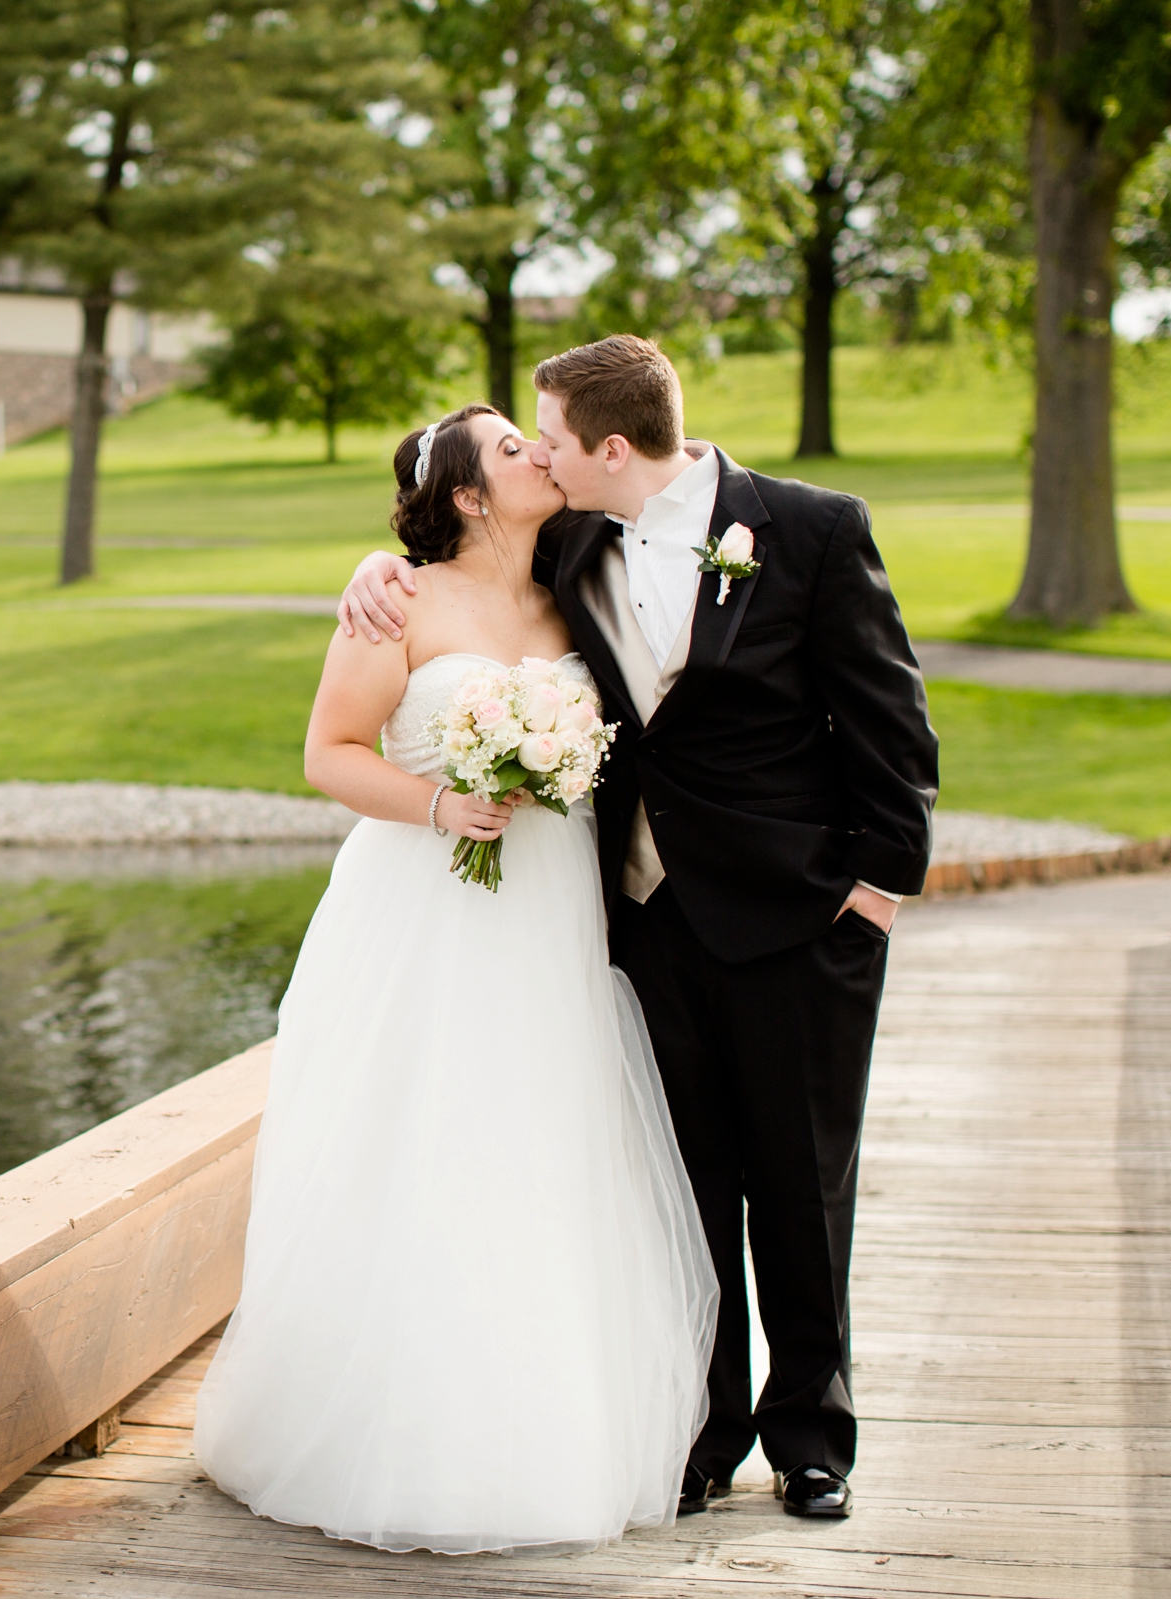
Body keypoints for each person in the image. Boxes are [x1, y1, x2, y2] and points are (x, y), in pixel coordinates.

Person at [337, 336, 939, 1520]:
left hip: (800, 921)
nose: (541, 456)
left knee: (805, 1187)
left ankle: (813, 1437)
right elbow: (455, 554)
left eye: (551, 438)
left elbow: (892, 726)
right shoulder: (570, 537)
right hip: (642, 923)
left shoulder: (813, 529)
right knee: (686, 1184)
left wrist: (874, 895)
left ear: (613, 447)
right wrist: (372, 562)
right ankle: (703, 1429)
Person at [192, 403, 718, 1555]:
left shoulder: (579, 578)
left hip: (548, 911)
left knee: (541, 1140)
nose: (541, 453)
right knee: (423, 1136)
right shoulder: (401, 599)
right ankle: (397, 1425)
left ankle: (546, 1421)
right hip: (426, 904)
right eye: (514, 450)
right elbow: (329, 751)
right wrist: (442, 802)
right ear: (472, 496)